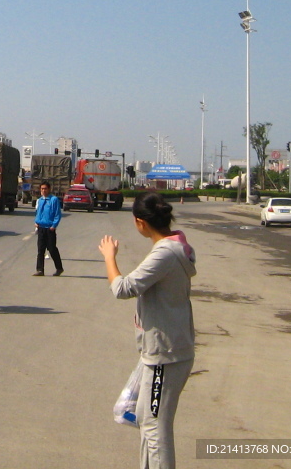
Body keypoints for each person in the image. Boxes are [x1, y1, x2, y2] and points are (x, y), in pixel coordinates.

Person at [99, 193, 196, 469]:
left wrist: (110, 256)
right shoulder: (176, 244)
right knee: (145, 418)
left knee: (155, 429)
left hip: (164, 356)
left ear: (141, 222)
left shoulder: (165, 252)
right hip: (166, 349)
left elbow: (123, 288)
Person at [33, 181, 64, 276]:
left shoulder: (53, 200)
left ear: (49, 189)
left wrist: (53, 226)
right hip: (41, 228)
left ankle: (59, 268)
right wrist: (36, 222)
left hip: (50, 229)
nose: (43, 190)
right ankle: (40, 270)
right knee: (40, 250)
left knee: (52, 249)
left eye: (45, 189)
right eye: (42, 189)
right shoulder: (40, 200)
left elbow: (57, 214)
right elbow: (38, 213)